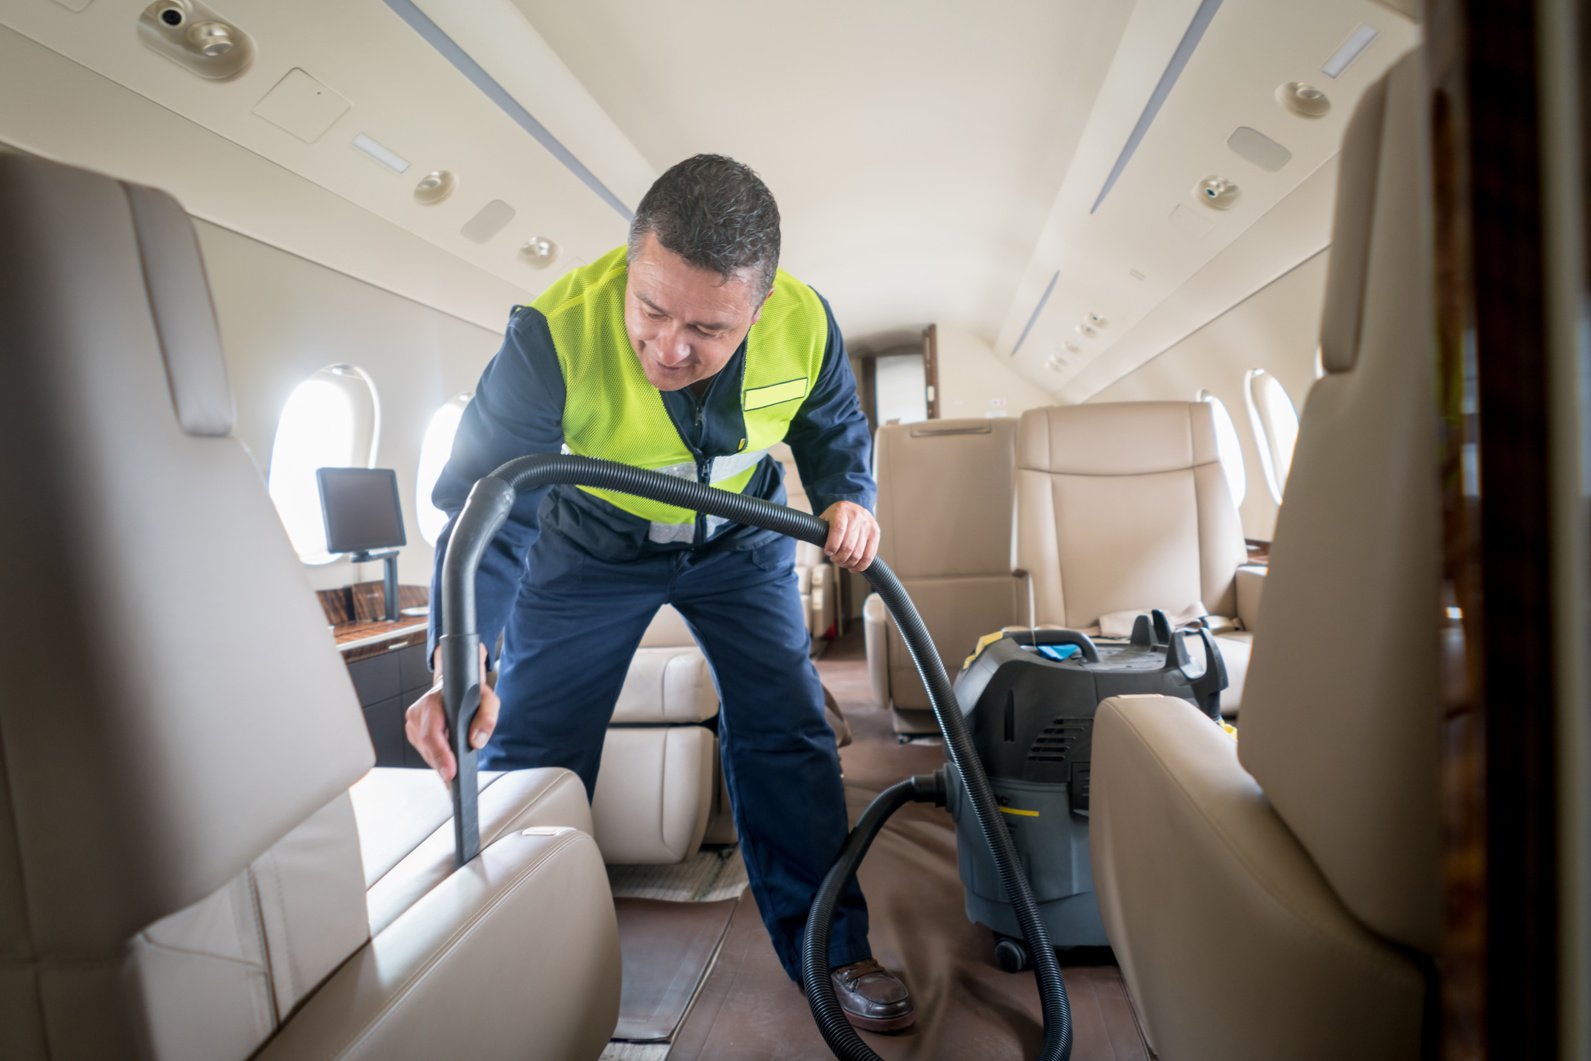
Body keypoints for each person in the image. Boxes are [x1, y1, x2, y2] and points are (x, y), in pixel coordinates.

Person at [406, 154, 913, 1033]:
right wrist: (462, 644)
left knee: (786, 729)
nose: (668, 347)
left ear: (757, 307)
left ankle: (829, 951)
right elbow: (487, 502)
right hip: (589, 548)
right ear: (630, 262)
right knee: (530, 747)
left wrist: (848, 495)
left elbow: (832, 425)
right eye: (650, 307)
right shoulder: (552, 330)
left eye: (708, 328)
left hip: (740, 537)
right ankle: (508, 958)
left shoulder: (804, 321)